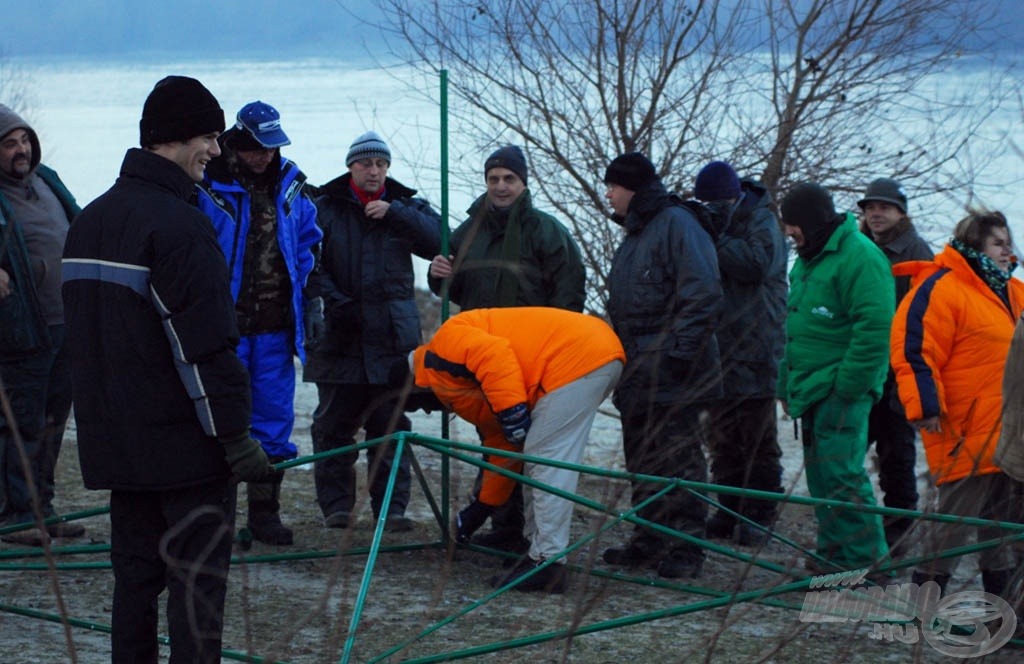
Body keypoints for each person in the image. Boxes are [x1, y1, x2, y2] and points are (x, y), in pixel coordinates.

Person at [62, 75, 272, 662]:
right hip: (185, 454)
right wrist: (235, 437)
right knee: (196, 592)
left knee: (133, 585)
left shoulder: (91, 219)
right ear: (174, 140)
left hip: (118, 449)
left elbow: (86, 344)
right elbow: (204, 346)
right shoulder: (180, 225)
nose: (216, 150)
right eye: (208, 136)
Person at [397, 307, 624, 593]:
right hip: (586, 353)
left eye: (418, 406)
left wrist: (514, 414)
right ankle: (537, 552)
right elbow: (505, 446)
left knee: (547, 459)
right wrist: (480, 508)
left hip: (579, 354)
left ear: (413, 387)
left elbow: (494, 354)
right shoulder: (459, 386)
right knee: (535, 457)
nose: (428, 413)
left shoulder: (444, 344)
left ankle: (548, 563)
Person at [427, 145, 586, 554]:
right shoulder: (469, 231)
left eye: (508, 179)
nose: (500, 186)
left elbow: (569, 295)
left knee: (531, 443)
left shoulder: (548, 233)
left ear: (523, 182)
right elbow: (453, 286)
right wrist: (438, 274)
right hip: (481, 359)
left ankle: (535, 534)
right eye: (494, 178)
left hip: (532, 359)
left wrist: (559, 354)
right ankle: (504, 523)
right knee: (494, 438)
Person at [197, 100, 322, 546]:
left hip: (274, 328)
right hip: (222, 329)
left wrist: (311, 297)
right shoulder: (207, 184)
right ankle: (218, 517)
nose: (267, 155)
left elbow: (309, 243)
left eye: (273, 147)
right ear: (240, 141)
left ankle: (265, 515)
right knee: (218, 421)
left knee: (273, 422)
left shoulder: (291, 185)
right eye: (259, 147)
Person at [304, 131, 440, 532]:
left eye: (381, 164)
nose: (374, 171)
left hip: (392, 342)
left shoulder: (406, 207)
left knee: (391, 425)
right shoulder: (323, 207)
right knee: (332, 427)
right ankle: (336, 508)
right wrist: (336, 304)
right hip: (338, 336)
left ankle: (392, 510)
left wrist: (395, 213)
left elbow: (442, 242)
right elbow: (306, 264)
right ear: (351, 166)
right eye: (366, 163)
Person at [890, 208, 1024, 599]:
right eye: (997, 242)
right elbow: (913, 348)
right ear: (974, 244)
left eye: (1008, 242)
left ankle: (1002, 613)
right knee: (950, 523)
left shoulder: (1012, 291)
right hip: (962, 427)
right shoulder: (942, 287)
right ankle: (921, 607)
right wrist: (925, 405)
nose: (1006, 250)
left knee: (1000, 528)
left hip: (1009, 432)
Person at [601, 152, 723, 579]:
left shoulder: (678, 224)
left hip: (675, 371)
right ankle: (649, 539)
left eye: (612, 186)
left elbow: (704, 292)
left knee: (680, 460)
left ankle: (687, 548)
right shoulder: (637, 233)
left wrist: (677, 355)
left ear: (630, 188)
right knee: (643, 459)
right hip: (638, 370)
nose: (608, 194)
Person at [777, 182, 893, 573]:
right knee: (822, 477)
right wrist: (785, 381)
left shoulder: (860, 257)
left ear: (810, 220)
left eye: (793, 224)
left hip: (841, 390)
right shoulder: (807, 259)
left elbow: (874, 328)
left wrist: (848, 387)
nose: (788, 232)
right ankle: (835, 555)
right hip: (810, 387)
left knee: (843, 475)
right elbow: (794, 324)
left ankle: (869, 565)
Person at [0, 104, 83, 546]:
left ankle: (44, 509)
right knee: (20, 424)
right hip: (21, 327)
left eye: (25, 140)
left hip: (65, 321)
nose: (21, 150)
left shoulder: (46, 179)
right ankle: (15, 516)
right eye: (10, 143)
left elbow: (81, 220)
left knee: (53, 421)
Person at [692, 161, 786, 547]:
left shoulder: (762, 222)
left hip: (757, 349)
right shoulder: (727, 223)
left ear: (734, 198)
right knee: (722, 438)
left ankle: (759, 515)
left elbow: (755, 264)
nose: (714, 211)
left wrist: (714, 235)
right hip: (722, 350)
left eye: (719, 205)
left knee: (758, 439)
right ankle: (729, 510)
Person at [856, 177, 933, 554]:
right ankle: (861, 529)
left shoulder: (917, 251)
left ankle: (899, 534)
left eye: (884, 207)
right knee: (853, 451)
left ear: (901, 212)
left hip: (900, 371)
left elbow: (928, 316)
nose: (875, 213)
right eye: (870, 207)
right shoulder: (859, 248)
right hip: (865, 366)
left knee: (897, 455)